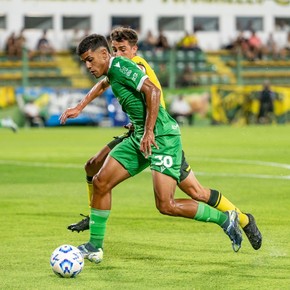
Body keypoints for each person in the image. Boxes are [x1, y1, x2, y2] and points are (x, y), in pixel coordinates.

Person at [59, 33, 260, 264]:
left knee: (166, 205)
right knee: (100, 181)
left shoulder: (123, 66)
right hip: (140, 136)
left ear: (104, 54)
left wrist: (149, 130)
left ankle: (226, 219)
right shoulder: (111, 72)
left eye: (90, 60)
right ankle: (94, 247)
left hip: (161, 137)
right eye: (84, 61)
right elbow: (102, 85)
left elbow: (152, 91)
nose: (87, 66)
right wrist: (79, 107)